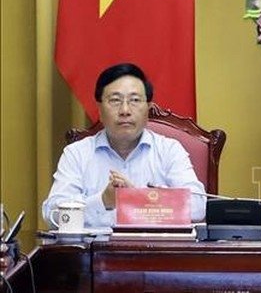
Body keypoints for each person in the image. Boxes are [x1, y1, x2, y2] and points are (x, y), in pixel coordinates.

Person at [42, 63, 205, 228]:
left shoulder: (169, 150)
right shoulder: (77, 153)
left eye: (134, 100)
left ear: (148, 108)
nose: (125, 110)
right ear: (99, 108)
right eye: (115, 100)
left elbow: (198, 206)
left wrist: (139, 198)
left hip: (156, 251)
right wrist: (103, 201)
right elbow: (53, 214)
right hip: (95, 252)